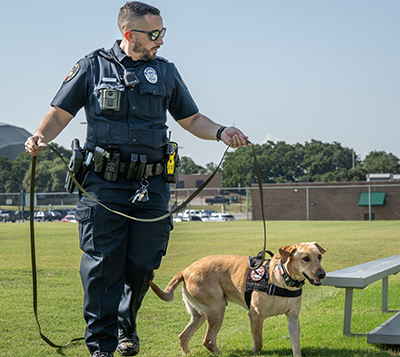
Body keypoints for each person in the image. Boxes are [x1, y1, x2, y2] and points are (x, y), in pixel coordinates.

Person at [25, 2, 251, 356]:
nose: (161, 40)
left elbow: (191, 119)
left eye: (163, 33)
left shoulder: (166, 71)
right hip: (103, 185)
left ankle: (125, 325)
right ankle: (101, 346)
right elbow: (59, 113)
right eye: (155, 34)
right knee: (102, 266)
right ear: (130, 34)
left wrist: (221, 131)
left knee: (142, 264)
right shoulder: (92, 66)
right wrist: (40, 136)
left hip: (151, 185)